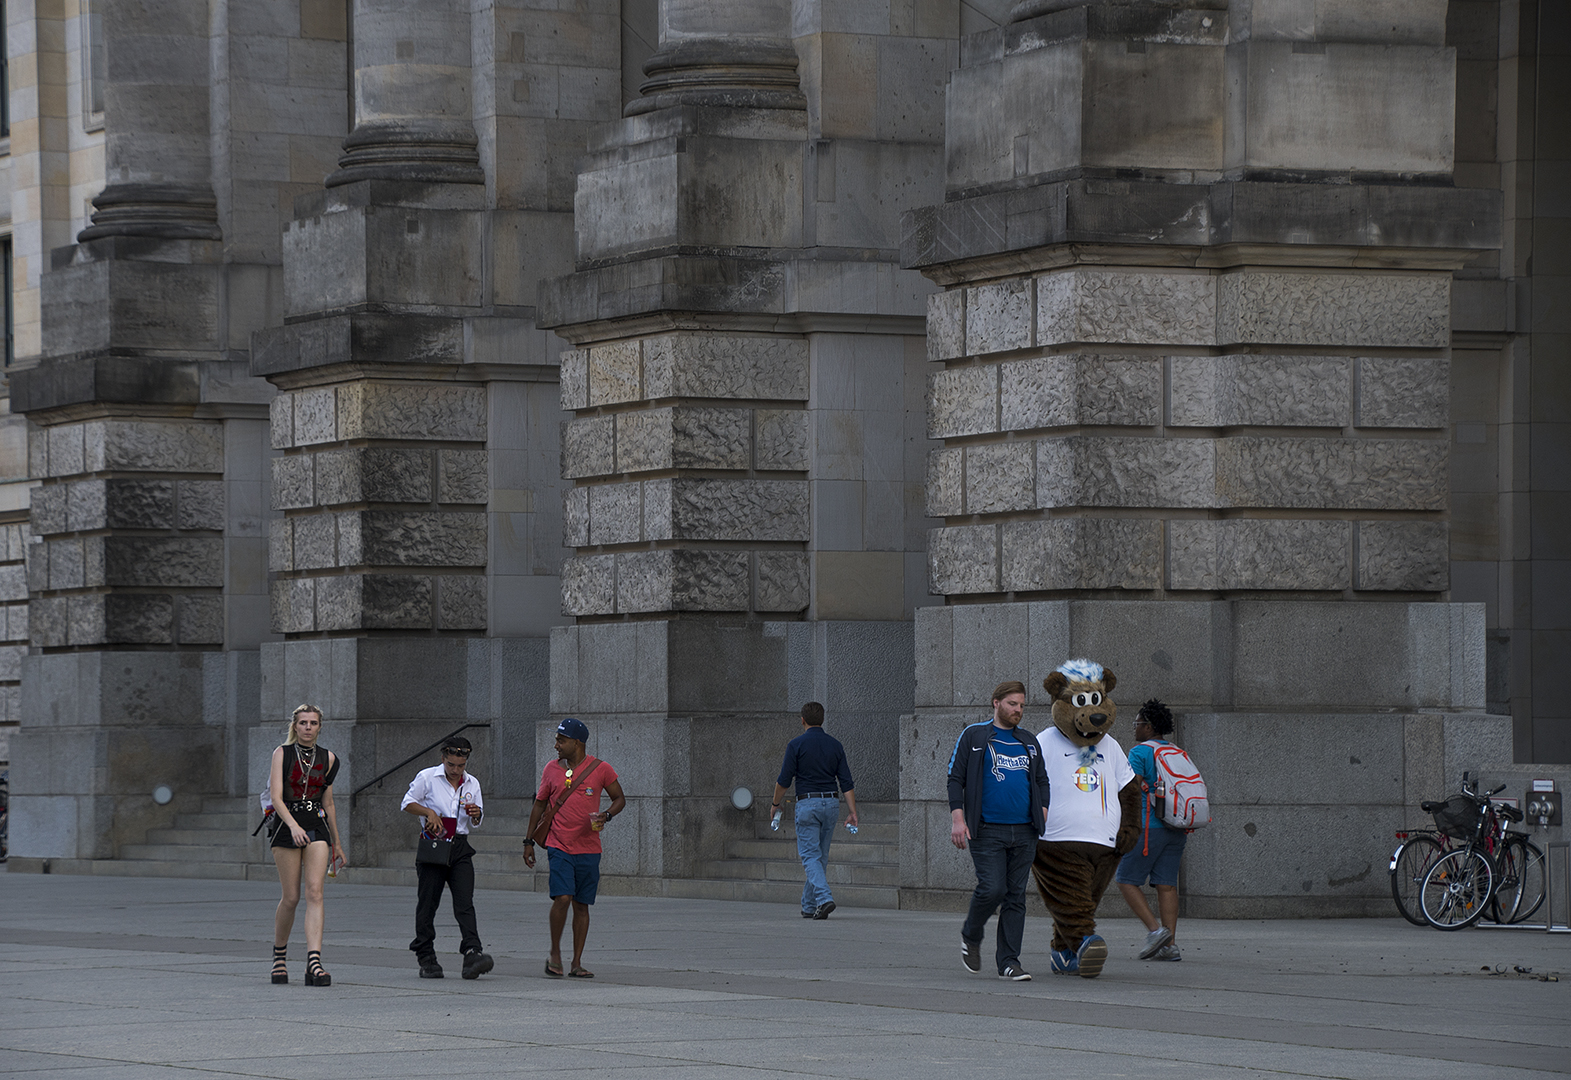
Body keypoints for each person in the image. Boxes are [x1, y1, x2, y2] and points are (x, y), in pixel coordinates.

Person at [947, 681, 1050, 982]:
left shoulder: (1028, 741)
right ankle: (971, 934)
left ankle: (1009, 962)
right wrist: (957, 819)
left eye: (1021, 705)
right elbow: (955, 778)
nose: (1018, 710)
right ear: (996, 703)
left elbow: (1042, 780)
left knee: (1016, 897)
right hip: (987, 830)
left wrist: (1043, 809)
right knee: (993, 889)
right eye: (1012, 704)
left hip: (1025, 831)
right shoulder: (975, 735)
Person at [524, 717, 626, 978]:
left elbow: (619, 798)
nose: (556, 745)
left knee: (581, 905)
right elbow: (539, 804)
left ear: (577, 743)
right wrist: (528, 841)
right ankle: (555, 953)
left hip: (589, 848)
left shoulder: (601, 769)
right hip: (559, 845)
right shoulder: (551, 769)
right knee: (563, 898)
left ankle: (577, 962)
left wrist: (606, 815)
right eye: (556, 740)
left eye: (561, 740)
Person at [401, 736, 495, 980]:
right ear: (443, 758)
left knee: (465, 901)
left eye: (460, 766)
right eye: (451, 764)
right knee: (428, 902)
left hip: (460, 845)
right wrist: (428, 812)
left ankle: (472, 952)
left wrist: (476, 814)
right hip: (434, 843)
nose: (455, 770)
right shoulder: (427, 777)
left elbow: (476, 820)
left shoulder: (472, 783)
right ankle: (426, 955)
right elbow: (407, 803)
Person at [268, 704, 344, 987]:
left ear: (320, 726)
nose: (308, 727)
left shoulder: (329, 758)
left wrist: (337, 843)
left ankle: (314, 962)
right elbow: (276, 797)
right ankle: (279, 956)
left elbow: (329, 802)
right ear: (295, 726)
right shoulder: (282, 753)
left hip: (316, 824)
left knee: (316, 893)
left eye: (313, 723)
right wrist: (293, 826)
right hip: (287, 823)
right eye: (303, 723)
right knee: (291, 897)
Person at [770, 701, 860, 920]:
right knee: (820, 856)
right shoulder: (835, 745)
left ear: (802, 720)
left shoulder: (796, 745)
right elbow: (846, 782)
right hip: (831, 803)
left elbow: (784, 780)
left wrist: (775, 804)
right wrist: (852, 812)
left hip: (807, 803)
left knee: (810, 855)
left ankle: (824, 898)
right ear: (823, 719)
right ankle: (809, 906)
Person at [1116, 699, 1186, 961]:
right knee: (1167, 885)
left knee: (1125, 879)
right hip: (1176, 827)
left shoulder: (1140, 752)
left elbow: (1131, 790)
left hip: (1148, 827)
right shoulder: (1177, 751)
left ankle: (1156, 931)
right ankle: (1170, 946)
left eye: (1137, 723)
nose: (1135, 727)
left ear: (1149, 726)